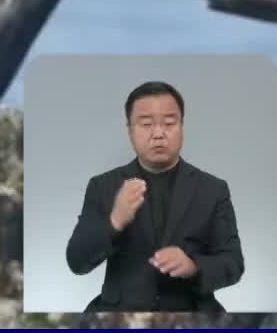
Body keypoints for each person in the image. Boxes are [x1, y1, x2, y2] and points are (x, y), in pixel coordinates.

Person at [63, 81, 244, 313]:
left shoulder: (213, 189)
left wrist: (194, 267)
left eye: (169, 123)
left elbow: (233, 262)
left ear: (182, 126)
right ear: (130, 130)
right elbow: (77, 261)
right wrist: (114, 222)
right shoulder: (103, 186)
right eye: (146, 124)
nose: (158, 134)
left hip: (192, 314)